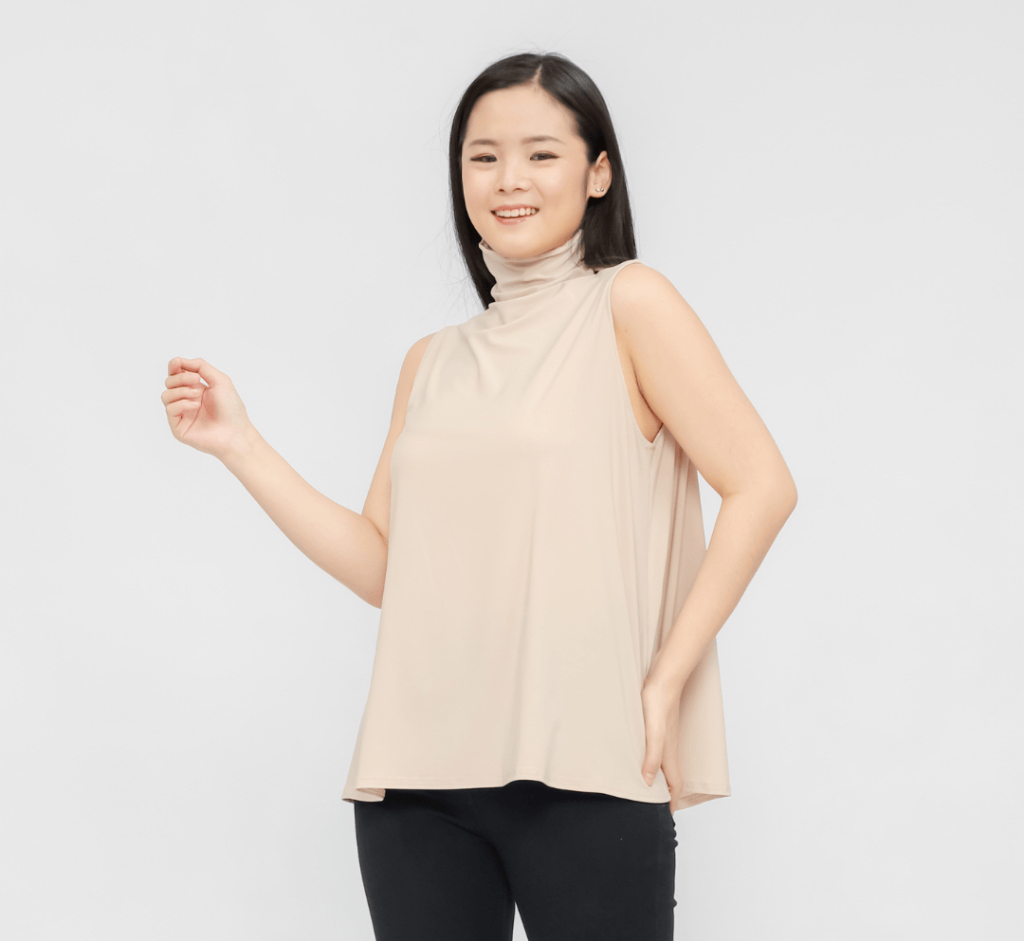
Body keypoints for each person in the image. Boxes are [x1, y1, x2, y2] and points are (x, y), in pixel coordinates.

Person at [161, 51, 798, 940]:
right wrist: (241, 445)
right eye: (483, 156)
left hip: (586, 765)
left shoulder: (631, 304)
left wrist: (666, 679)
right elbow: (383, 569)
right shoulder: (430, 361)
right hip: (414, 783)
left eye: (541, 154)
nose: (509, 180)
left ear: (598, 172)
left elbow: (763, 485)